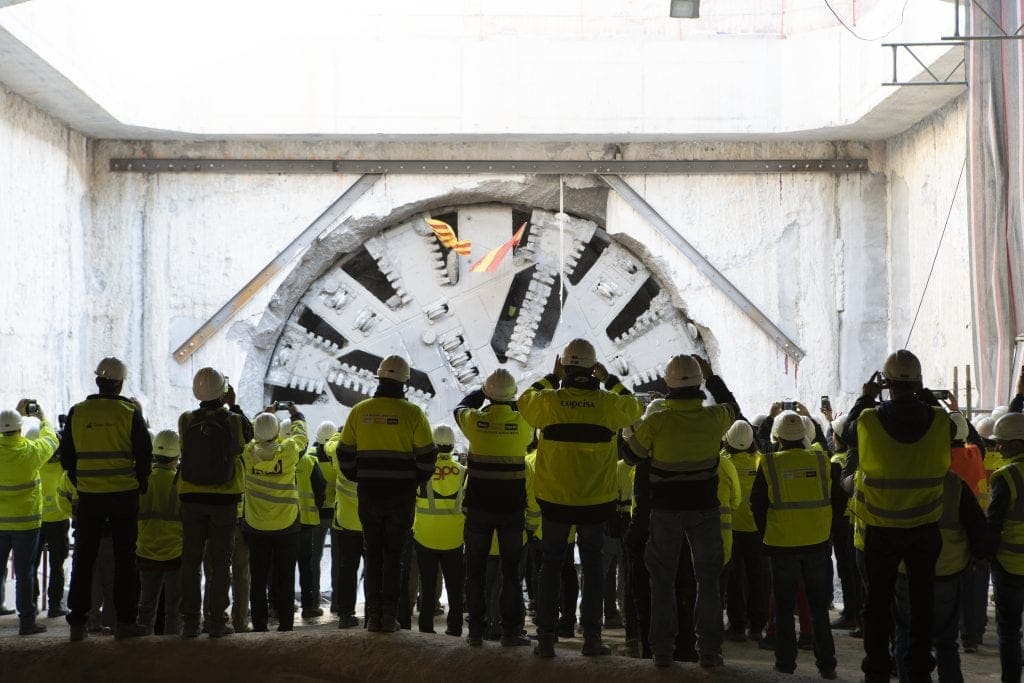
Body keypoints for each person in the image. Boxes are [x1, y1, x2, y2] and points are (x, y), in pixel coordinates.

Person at [520, 338, 641, 658]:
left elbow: (523, 399)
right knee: (592, 568)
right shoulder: (608, 404)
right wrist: (610, 380)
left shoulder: (548, 401)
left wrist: (551, 377)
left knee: (550, 566)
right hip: (595, 501)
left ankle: (546, 638)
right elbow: (634, 406)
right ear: (592, 368)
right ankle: (591, 638)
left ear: (565, 367)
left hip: (555, 499)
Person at [842, 350, 953, 682]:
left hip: (881, 527)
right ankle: (918, 668)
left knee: (876, 604)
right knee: (922, 602)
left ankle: (877, 669)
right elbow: (939, 414)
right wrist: (923, 392)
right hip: (923, 528)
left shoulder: (868, 421)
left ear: (886, 383)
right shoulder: (941, 421)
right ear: (919, 383)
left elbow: (847, 436)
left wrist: (866, 397)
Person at [626, 354, 737, 668]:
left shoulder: (656, 421)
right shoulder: (714, 417)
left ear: (667, 384)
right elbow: (733, 407)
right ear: (699, 382)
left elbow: (631, 456)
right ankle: (710, 652)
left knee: (662, 582)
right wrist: (713, 376)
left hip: (665, 513)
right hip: (705, 510)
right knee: (708, 582)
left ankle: (662, 651)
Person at [331, 355, 437, 633]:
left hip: (369, 495)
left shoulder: (359, 411)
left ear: (378, 378)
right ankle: (389, 615)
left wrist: (362, 476)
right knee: (394, 556)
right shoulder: (413, 414)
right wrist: (410, 480)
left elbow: (344, 454)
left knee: (373, 554)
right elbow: (427, 459)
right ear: (405, 381)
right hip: (400, 497)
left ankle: (372, 617)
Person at [62, 357, 153, 641]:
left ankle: (77, 622)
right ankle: (125, 622)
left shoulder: (78, 412)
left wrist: (85, 481)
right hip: (123, 495)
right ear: (120, 383)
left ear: (97, 381)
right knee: (126, 559)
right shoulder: (129, 413)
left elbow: (67, 458)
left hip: (89, 496)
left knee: (84, 558)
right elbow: (144, 456)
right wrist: (138, 483)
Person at [750, 411, 844, 678]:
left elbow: (757, 505)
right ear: (804, 436)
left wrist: (768, 534)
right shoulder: (822, 460)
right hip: (817, 544)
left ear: (777, 437)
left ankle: (785, 665)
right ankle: (827, 665)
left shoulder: (768, 464)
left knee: (783, 607)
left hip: (781, 546)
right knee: (818, 610)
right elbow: (838, 501)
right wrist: (827, 532)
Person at [454, 368, 534, 647]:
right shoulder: (524, 423)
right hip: (512, 510)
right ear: (512, 397)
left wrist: (482, 393)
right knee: (512, 573)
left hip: (478, 508)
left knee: (475, 570)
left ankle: (476, 630)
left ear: (487, 395)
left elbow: (460, 407)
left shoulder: (474, 421)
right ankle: (510, 631)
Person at [176, 368, 251, 638]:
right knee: (220, 562)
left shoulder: (185, 420)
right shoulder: (233, 421)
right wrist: (234, 404)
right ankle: (217, 621)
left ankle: (189, 621)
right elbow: (248, 438)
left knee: (191, 561)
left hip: (191, 497)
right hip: (224, 498)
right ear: (223, 391)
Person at [892, 469, 985, 682]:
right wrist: (978, 556)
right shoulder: (953, 483)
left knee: (905, 638)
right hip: (945, 570)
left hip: (905, 570)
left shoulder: (898, 478)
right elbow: (977, 525)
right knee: (945, 640)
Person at [243, 406, 307, 632]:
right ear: (279, 431)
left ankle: (259, 626)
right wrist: (296, 416)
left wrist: (261, 413)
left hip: (257, 525)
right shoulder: (288, 450)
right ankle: (286, 625)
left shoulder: (247, 453)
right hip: (286, 525)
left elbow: (249, 431)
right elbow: (302, 437)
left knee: (258, 579)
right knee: (286, 577)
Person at [0, 404, 59, 635]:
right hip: (26, 524)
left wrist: (13, 413)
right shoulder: (31, 452)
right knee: (25, 572)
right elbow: (52, 439)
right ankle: (27, 623)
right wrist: (42, 418)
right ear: (20, 428)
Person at [411, 424, 466, 636]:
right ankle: (454, 627)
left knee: (427, 583)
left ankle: (426, 627)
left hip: (425, 536)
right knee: (454, 586)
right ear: (452, 446)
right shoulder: (463, 472)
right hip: (454, 537)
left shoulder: (423, 472)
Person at [722, 419, 768, 642]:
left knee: (734, 580)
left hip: (731, 530)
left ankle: (737, 625)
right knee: (757, 578)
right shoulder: (761, 461)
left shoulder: (723, 462)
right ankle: (757, 626)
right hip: (756, 530)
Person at [987, 408, 1024, 682]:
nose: (997, 447)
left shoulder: (1006, 477)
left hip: (1010, 567)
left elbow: (993, 525)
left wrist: (983, 556)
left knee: (1009, 632)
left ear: (1018, 444)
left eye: (1002, 442)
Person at [136, 429, 183, 635]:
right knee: (174, 608)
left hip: (146, 550)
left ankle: (143, 649)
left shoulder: (143, 480)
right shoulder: (180, 483)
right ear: (177, 454)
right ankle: (171, 653)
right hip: (175, 553)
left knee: (146, 605)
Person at [33, 416, 74, 618]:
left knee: (31, 565)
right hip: (58, 520)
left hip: (36, 521)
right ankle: (55, 605)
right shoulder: (63, 468)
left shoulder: (34, 464)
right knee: (57, 566)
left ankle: (31, 605)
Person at [325, 430, 364, 629]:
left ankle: (345, 614)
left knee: (347, 569)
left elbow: (329, 445)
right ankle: (374, 613)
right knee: (374, 569)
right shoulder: (370, 454)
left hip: (346, 523)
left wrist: (341, 433)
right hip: (370, 522)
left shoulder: (340, 454)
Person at [309, 421, 338, 613]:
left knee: (313, 560)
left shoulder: (309, 457)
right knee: (339, 559)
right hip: (337, 515)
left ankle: (313, 601)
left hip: (315, 515)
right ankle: (338, 601)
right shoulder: (340, 456)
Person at [296, 441, 326, 619]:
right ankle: (309, 607)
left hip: (281, 522)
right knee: (306, 566)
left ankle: (277, 606)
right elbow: (320, 487)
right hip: (306, 522)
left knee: (279, 567)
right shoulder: (309, 461)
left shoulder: (272, 458)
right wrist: (317, 507)